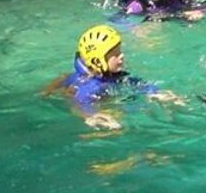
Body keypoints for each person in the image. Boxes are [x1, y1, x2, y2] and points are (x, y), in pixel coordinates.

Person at [48, 24, 181, 129]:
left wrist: (155, 92)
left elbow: (138, 84)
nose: (121, 56)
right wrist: (91, 115)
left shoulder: (113, 76)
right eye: (115, 54)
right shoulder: (91, 86)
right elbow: (81, 103)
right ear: (97, 61)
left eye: (120, 51)